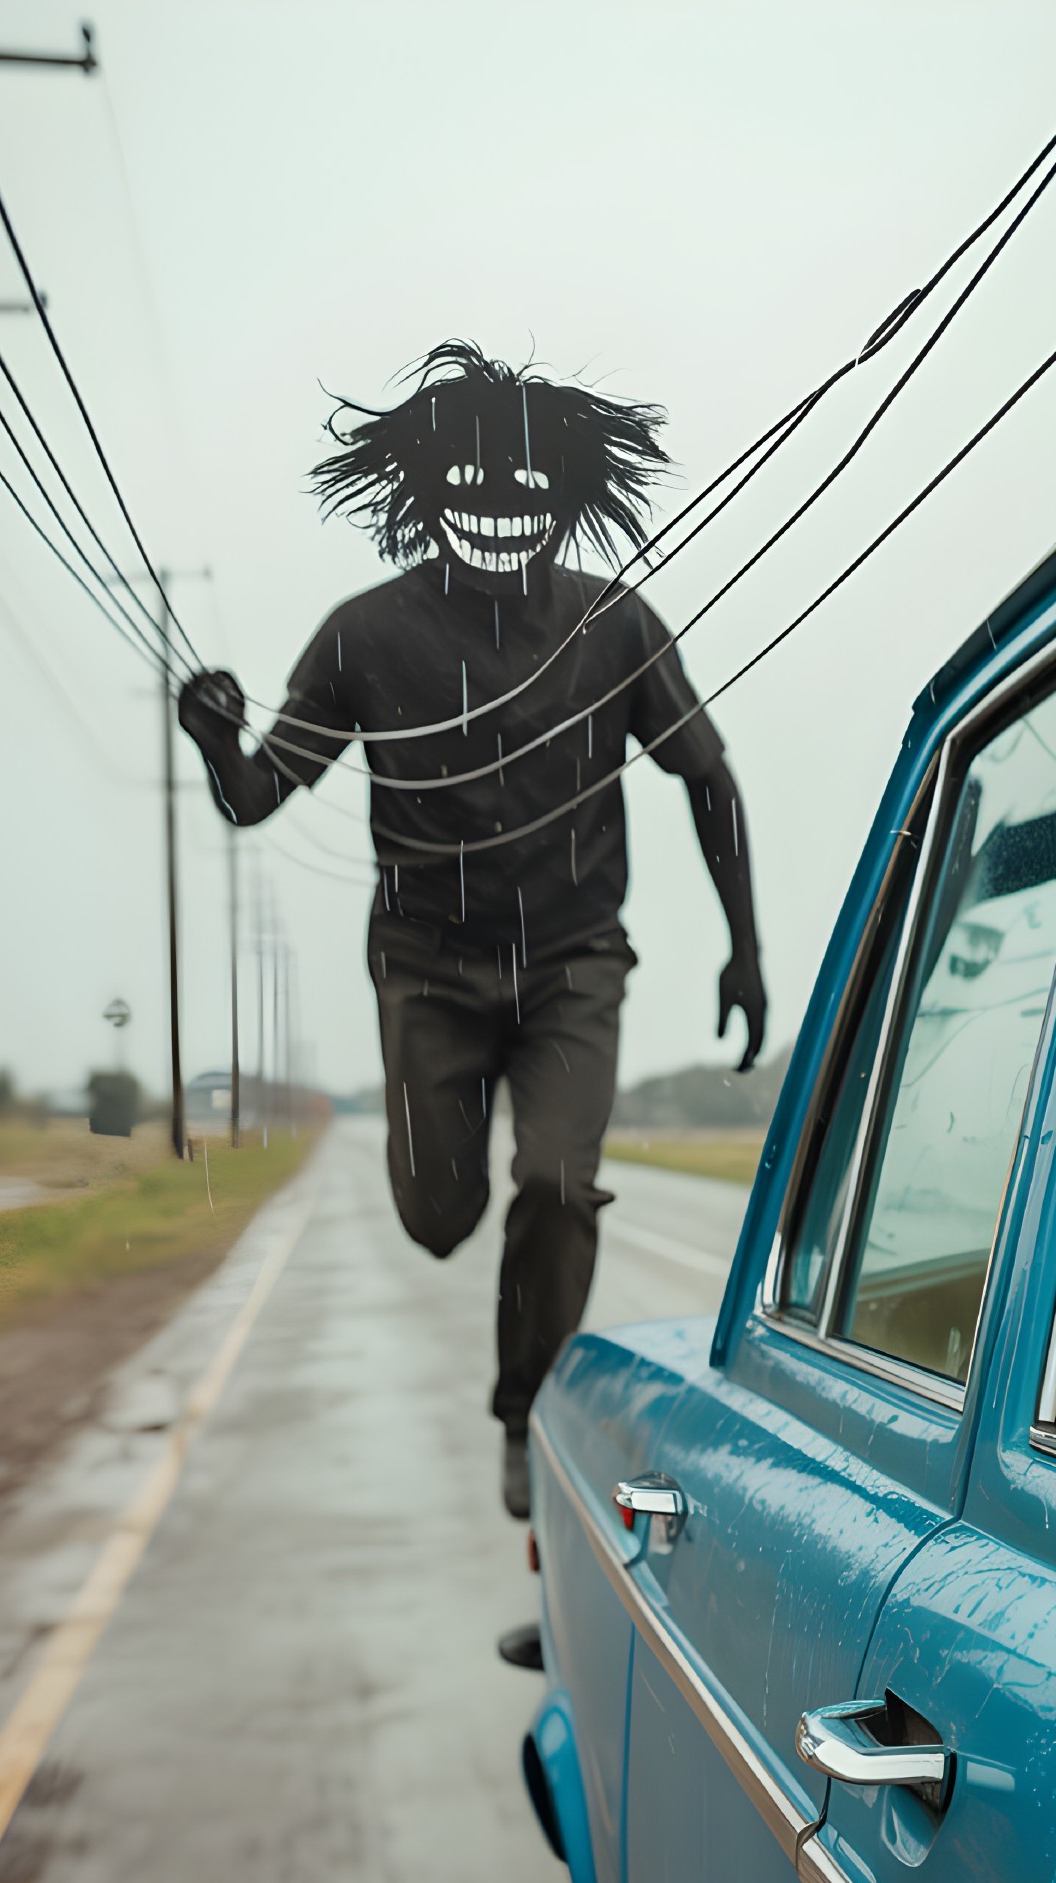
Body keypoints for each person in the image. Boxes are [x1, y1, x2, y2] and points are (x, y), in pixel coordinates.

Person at [177, 342, 766, 1521]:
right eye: (474, 492)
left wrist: (745, 947)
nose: (501, 512)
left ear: (564, 495)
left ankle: (521, 1411)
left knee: (554, 1181)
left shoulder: (615, 625)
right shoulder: (362, 637)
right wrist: (211, 736)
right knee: (439, 1219)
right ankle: (454, 1219)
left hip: (572, 964)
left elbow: (708, 776)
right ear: (427, 496)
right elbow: (256, 793)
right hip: (427, 972)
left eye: (526, 493)